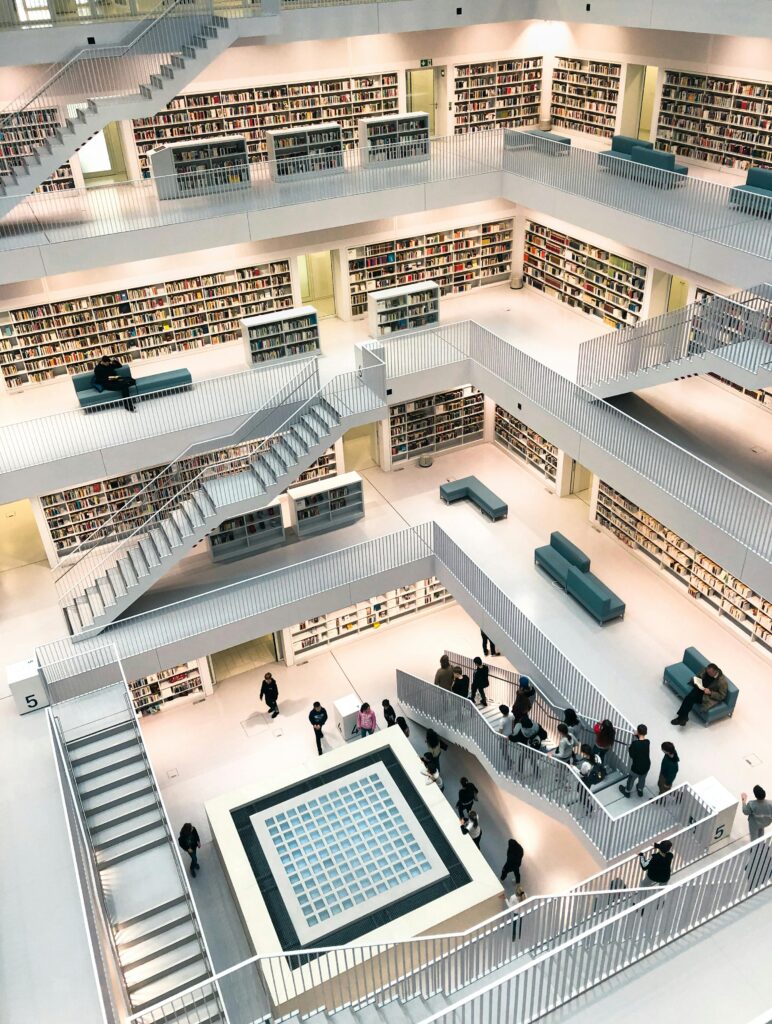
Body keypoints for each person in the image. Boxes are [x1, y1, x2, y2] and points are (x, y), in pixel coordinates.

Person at [619, 724, 651, 799]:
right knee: (642, 779)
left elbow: (632, 755)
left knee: (631, 780)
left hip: (636, 767)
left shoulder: (635, 744)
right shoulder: (647, 742)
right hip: (646, 766)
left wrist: (629, 748)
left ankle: (627, 791)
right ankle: (640, 790)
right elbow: (641, 742)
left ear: (638, 732)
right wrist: (637, 734)